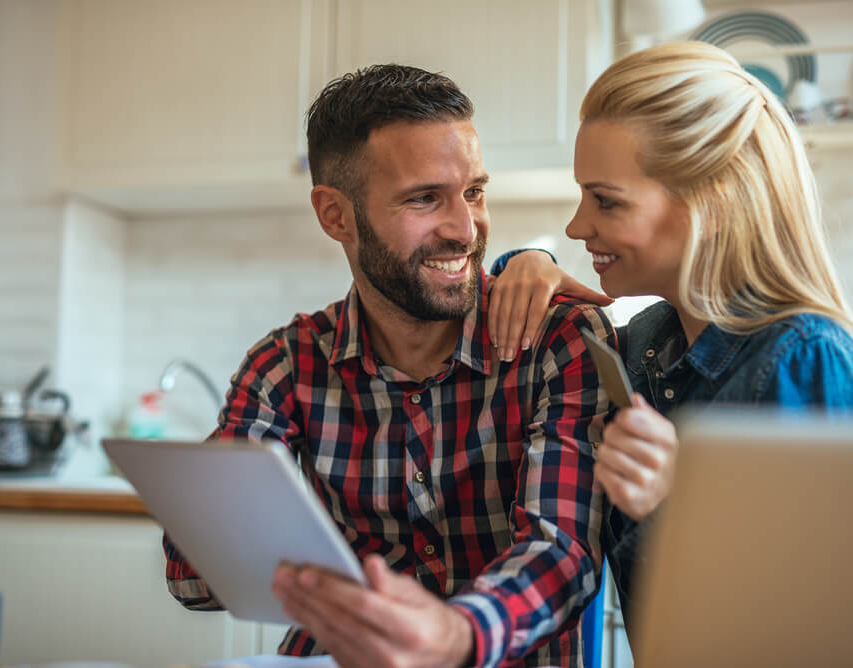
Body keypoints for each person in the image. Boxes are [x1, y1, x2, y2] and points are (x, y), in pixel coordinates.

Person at [163, 64, 617, 668]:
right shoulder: (285, 366)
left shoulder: (557, 339)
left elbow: (564, 551)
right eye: (425, 198)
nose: (465, 229)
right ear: (336, 216)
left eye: (474, 192)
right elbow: (192, 581)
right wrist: (223, 516)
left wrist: (454, 634)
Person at [488, 41, 853, 632]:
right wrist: (523, 260)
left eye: (605, 200)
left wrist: (680, 509)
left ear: (713, 199)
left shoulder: (808, 361)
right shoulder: (645, 343)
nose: (577, 227)